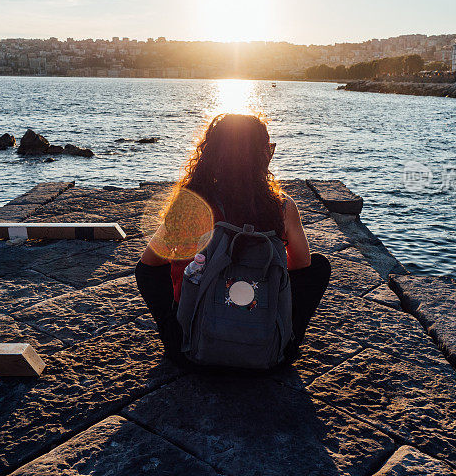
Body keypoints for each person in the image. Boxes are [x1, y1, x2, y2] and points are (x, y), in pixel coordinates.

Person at [135, 113, 330, 369]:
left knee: (147, 271)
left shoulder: (193, 202)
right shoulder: (282, 207)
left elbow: (151, 261)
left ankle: (176, 340)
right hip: (265, 354)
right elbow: (301, 263)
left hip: (195, 351)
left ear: (212, 154)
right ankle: (285, 343)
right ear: (262, 155)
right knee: (317, 267)